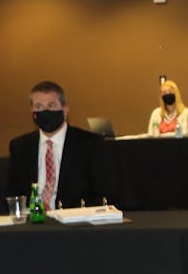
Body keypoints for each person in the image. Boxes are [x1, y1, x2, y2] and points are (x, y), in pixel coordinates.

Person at [7, 80, 117, 211]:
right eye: (39, 107)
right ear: (32, 111)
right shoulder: (20, 146)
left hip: (74, 222)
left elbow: (105, 192)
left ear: (65, 110)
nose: (45, 111)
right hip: (33, 222)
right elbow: (12, 193)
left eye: (51, 105)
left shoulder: (90, 144)